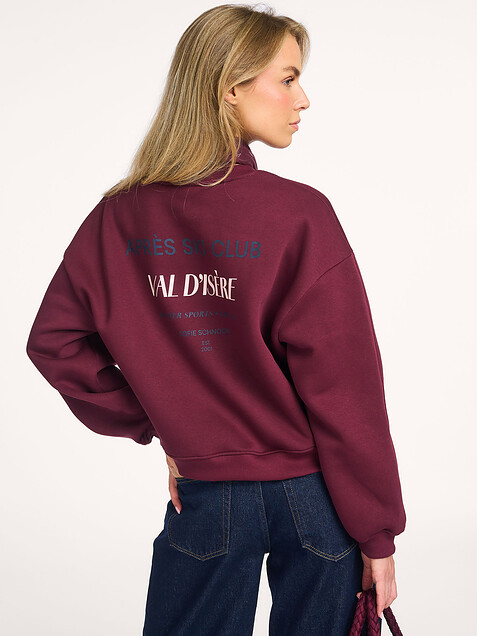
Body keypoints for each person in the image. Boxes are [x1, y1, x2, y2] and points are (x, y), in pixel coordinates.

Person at [26, 3, 406, 635]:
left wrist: (163, 423)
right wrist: (378, 531)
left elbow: (55, 343)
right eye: (288, 78)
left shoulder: (118, 217)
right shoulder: (299, 215)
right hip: (314, 497)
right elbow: (347, 388)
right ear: (231, 87)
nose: (303, 98)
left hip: (206, 491)